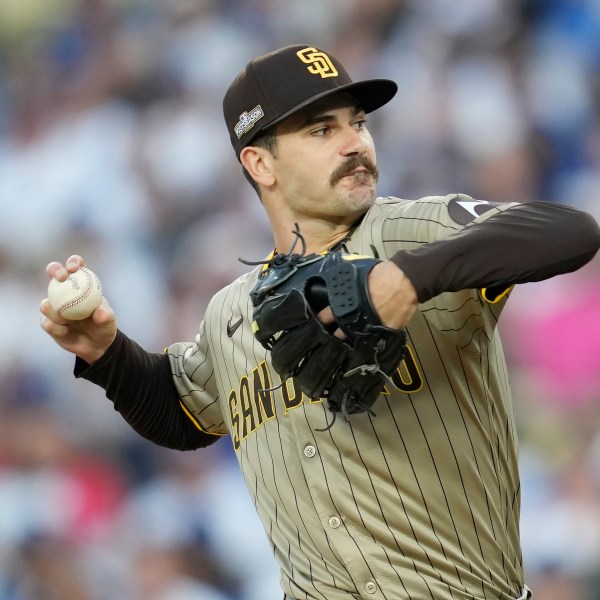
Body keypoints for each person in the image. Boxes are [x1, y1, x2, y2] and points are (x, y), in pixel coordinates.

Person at [40, 44, 600, 600]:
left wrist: (405, 278)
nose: (356, 142)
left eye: (357, 123)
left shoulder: (412, 231)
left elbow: (570, 231)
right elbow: (182, 415)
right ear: (260, 163)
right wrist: (106, 353)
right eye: (321, 130)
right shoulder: (231, 312)